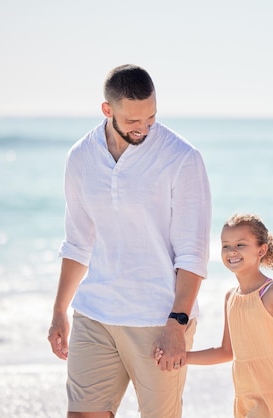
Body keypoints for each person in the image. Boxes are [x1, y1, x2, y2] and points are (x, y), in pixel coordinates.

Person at [47, 64, 212, 418]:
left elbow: (193, 253)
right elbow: (77, 241)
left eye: (151, 117)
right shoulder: (80, 157)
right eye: (134, 121)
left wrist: (176, 323)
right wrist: (60, 310)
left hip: (157, 320)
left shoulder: (182, 158)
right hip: (95, 313)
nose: (144, 128)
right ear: (107, 110)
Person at [160, 213, 273, 418]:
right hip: (248, 399)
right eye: (225, 245)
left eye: (240, 245)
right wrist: (182, 358)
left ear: (262, 250)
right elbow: (226, 351)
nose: (232, 251)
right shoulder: (231, 298)